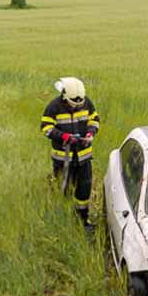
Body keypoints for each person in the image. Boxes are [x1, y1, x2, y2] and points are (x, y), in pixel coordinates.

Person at [40, 77, 100, 230]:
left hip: (84, 158)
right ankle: (63, 222)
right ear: (64, 96)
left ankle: (82, 221)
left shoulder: (86, 102)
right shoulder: (54, 106)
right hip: (63, 159)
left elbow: (94, 120)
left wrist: (90, 133)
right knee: (63, 190)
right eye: (73, 103)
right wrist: (63, 137)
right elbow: (46, 128)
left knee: (83, 191)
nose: (77, 106)